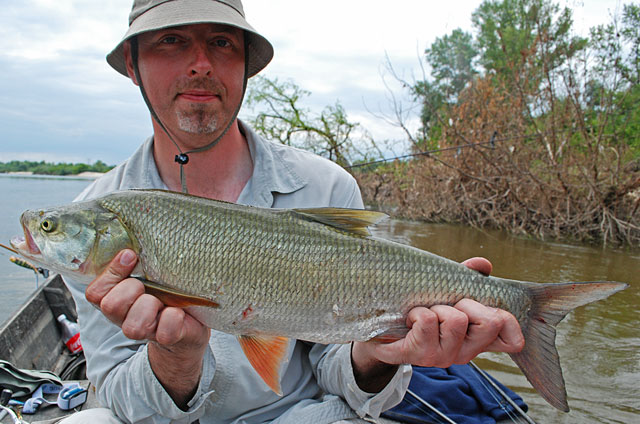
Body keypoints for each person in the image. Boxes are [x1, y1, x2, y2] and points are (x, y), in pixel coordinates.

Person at [56, 1, 524, 423]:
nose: (200, 65)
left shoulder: (328, 184)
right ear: (133, 65)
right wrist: (175, 358)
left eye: (221, 43)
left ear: (245, 67)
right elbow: (117, 394)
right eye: (171, 41)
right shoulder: (94, 217)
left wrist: (381, 352)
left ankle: (528, 306)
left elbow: (341, 375)